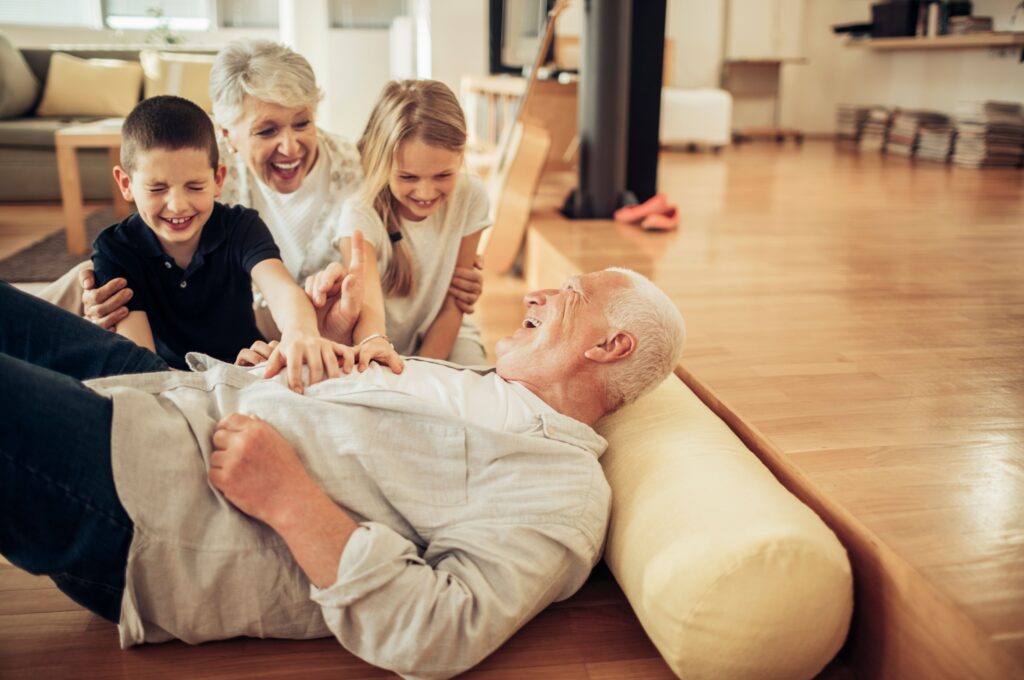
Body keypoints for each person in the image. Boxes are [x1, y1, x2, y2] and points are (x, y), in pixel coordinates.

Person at [0, 267, 685, 679]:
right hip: (178, 394)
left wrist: (290, 498)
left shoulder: (562, 491)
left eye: (568, 293)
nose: (537, 292)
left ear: (608, 346)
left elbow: (440, 629)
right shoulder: (489, 382)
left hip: (158, 501)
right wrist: (299, 367)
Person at [38, 40, 485, 345]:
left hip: (305, 324)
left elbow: (408, 236)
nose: (290, 146)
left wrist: (456, 275)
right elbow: (156, 257)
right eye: (267, 130)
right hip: (224, 314)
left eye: (302, 123)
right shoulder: (209, 179)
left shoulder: (358, 171)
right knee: (91, 277)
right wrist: (106, 298)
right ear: (228, 134)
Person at [88, 94, 339, 390]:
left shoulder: (241, 226)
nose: (178, 205)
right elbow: (143, 371)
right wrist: (219, 377)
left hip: (249, 371)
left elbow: (282, 289)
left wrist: (300, 332)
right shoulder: (115, 250)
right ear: (126, 184)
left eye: (195, 186)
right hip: (174, 384)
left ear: (219, 179)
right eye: (157, 189)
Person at [305, 79, 490, 367]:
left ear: (461, 157)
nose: (426, 193)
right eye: (408, 177)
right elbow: (370, 314)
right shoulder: (360, 212)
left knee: (477, 392)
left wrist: (426, 373)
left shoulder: (472, 196)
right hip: (373, 344)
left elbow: (456, 303)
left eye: (443, 175)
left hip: (449, 337)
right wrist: (384, 351)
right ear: (382, 163)